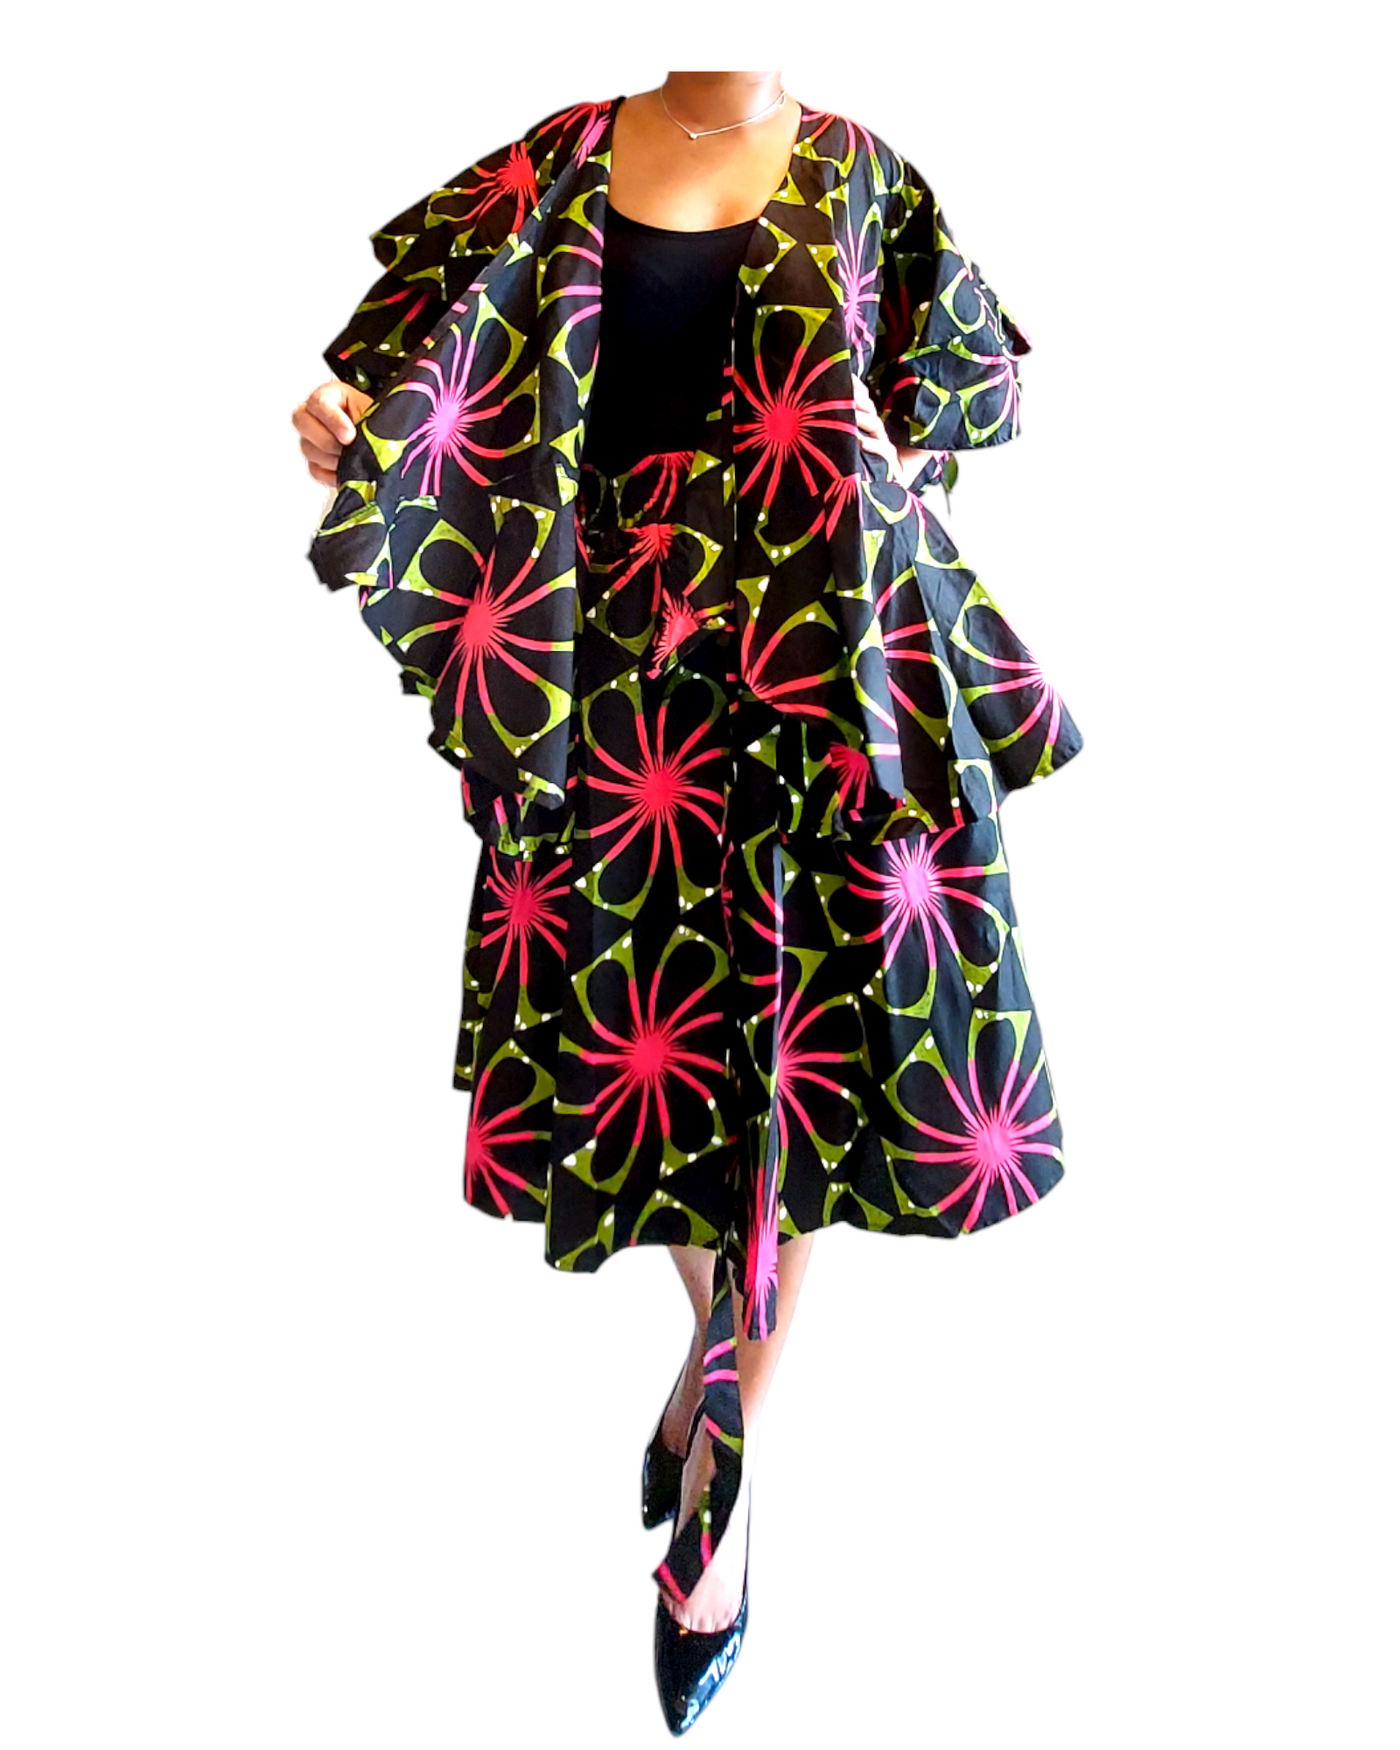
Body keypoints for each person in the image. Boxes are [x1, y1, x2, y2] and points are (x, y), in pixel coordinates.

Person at [292, 71, 1083, 1735]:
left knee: (798, 1072)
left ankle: (716, 1495)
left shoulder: (863, 175)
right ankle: (720, 1365)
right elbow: (422, 387)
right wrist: (352, 439)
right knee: (636, 1058)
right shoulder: (559, 160)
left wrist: (898, 452)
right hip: (607, 683)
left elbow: (971, 394)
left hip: (817, 672)